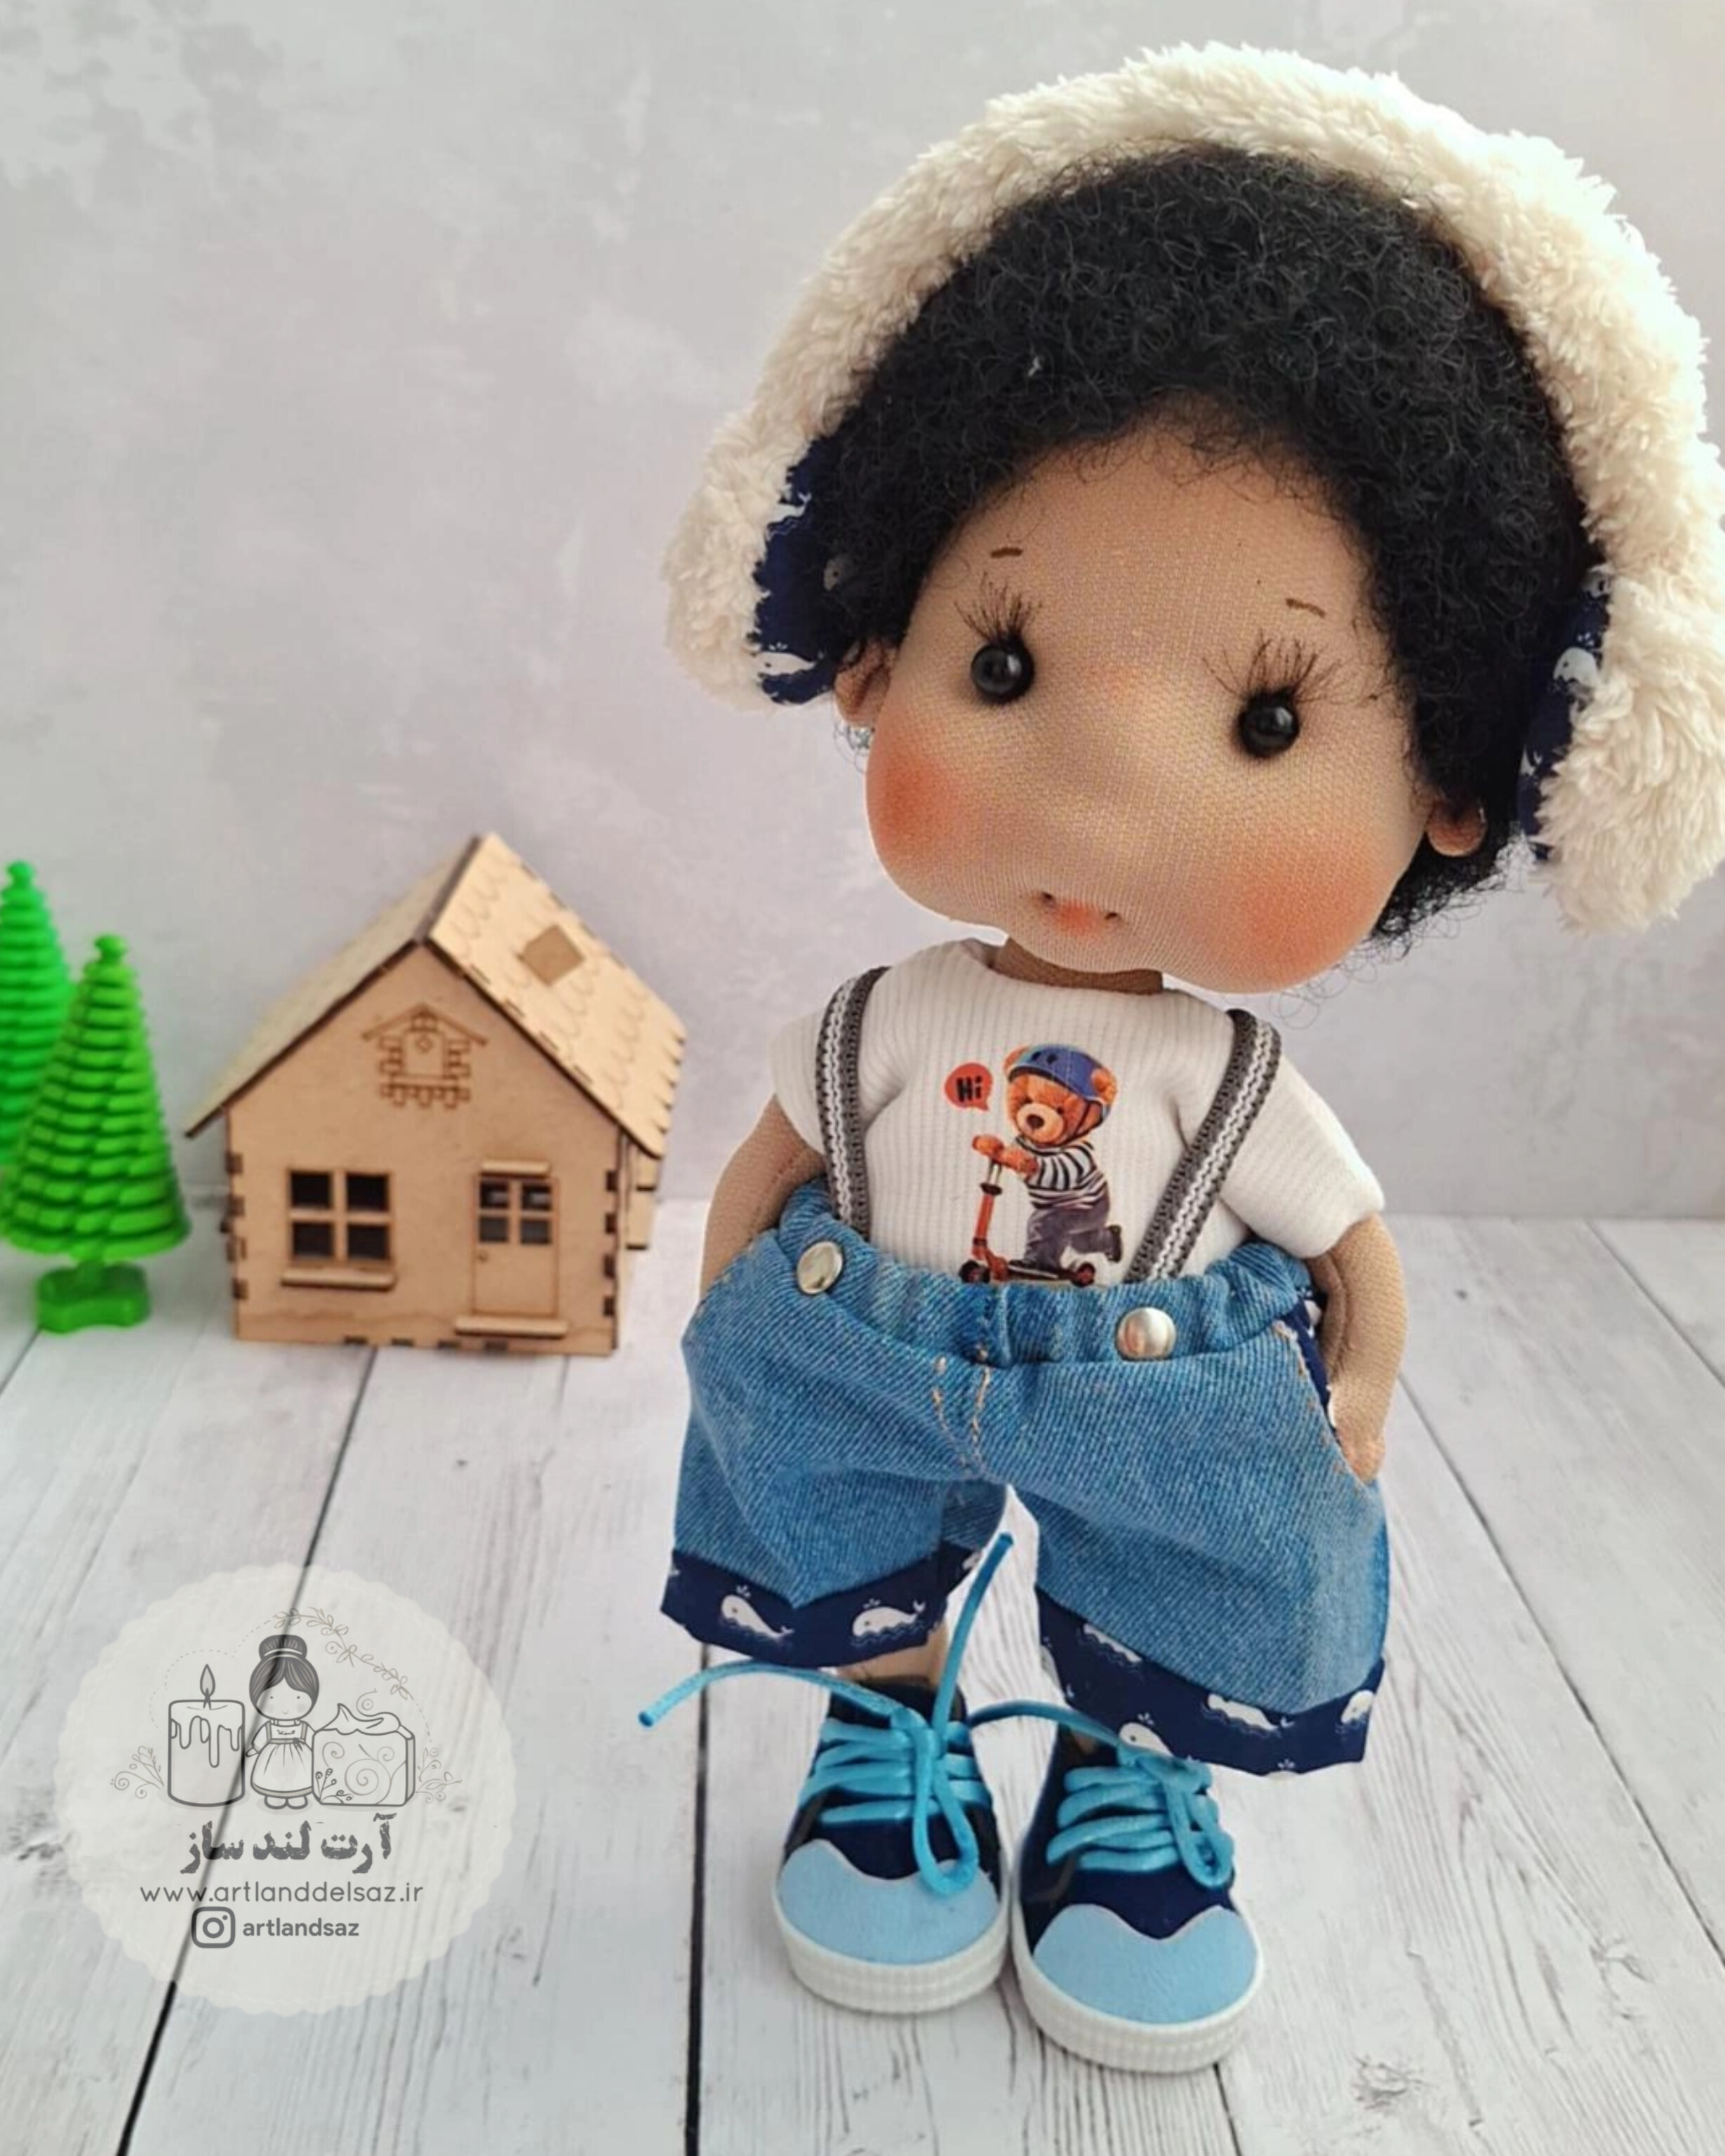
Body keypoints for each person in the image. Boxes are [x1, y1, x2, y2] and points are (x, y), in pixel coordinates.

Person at [644, 44, 1725, 2071]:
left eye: (1264, 723)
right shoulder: (876, 1023)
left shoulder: (1233, 1091)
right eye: (1005, 665)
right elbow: (775, 1166)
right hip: (862, 1335)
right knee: (838, 1530)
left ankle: (1130, 1779)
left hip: (1162, 1381)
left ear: (1449, 792)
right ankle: (888, 1731)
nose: (1097, 799)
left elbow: (1346, 1245)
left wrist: (1362, 1380)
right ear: (875, 653)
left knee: (1196, 1572)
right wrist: (725, 1307)